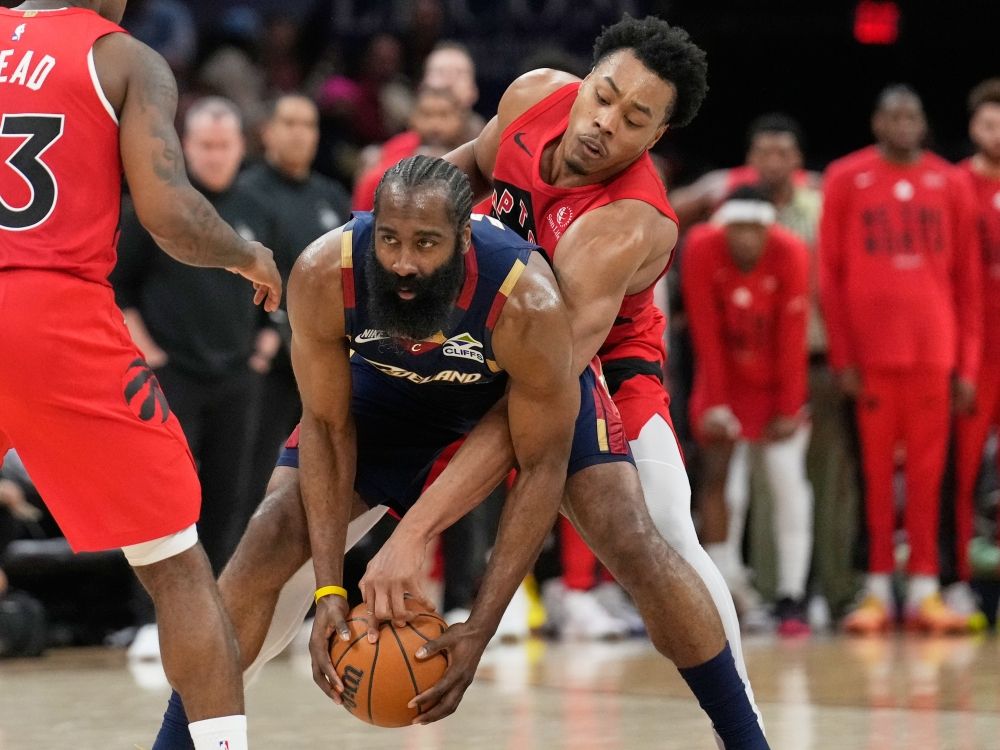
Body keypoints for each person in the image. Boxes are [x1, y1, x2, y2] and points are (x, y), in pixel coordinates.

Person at [152, 156, 764, 750]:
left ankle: (744, 738)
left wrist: (480, 627)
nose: (403, 263)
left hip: (509, 393)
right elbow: (328, 429)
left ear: (464, 238)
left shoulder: (527, 298)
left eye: (426, 244)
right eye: (389, 240)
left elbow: (541, 469)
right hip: (392, 396)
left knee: (634, 535)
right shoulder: (323, 271)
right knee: (269, 531)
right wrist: (329, 593)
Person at [368, 14, 769, 747]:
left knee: (663, 539)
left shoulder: (629, 222)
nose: (604, 123)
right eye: (605, 96)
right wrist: (365, 241)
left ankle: (744, 730)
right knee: (302, 507)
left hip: (604, 363)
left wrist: (416, 528)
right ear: (584, 81)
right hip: (492, 328)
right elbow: (452, 180)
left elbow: (540, 394)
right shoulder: (530, 98)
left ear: (656, 138)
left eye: (635, 119)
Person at [0, 2, 282, 749]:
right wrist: (247, 256)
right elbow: (171, 216)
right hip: (50, 314)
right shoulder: (123, 58)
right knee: (178, 565)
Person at [820, 85, 982, 635]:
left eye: (913, 114)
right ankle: (876, 589)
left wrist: (967, 363)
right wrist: (844, 355)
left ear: (924, 122)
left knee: (928, 476)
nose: (904, 123)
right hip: (872, 357)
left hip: (934, 353)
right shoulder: (846, 178)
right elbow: (832, 275)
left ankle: (925, 589)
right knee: (872, 474)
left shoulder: (951, 181)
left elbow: (969, 284)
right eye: (893, 114)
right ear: (876, 122)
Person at [112, 96, 278, 575]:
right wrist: (151, 356)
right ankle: (150, 617)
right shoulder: (160, 206)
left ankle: (221, 602)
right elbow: (119, 286)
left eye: (223, 145)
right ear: (186, 146)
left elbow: (276, 278)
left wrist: (264, 347)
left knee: (232, 493)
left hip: (238, 375)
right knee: (163, 496)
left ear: (239, 147)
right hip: (171, 375)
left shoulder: (254, 206)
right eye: (205, 145)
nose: (214, 155)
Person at [682, 187, 814, 636]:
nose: (743, 241)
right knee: (725, 486)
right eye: (734, 230)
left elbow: (792, 336)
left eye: (752, 231)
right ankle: (725, 589)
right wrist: (716, 403)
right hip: (725, 380)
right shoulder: (702, 247)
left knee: (787, 483)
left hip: (777, 382)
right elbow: (705, 332)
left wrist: (789, 406)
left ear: (766, 229)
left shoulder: (791, 252)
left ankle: (792, 595)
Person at [238, 93, 352, 504]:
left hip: (322, 350)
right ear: (267, 131)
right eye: (289, 123)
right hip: (266, 354)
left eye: (308, 124)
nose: (299, 133)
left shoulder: (332, 196)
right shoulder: (245, 191)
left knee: (324, 459)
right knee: (251, 466)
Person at [953, 79, 1000, 596]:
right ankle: (961, 579)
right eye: (990, 123)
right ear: (973, 127)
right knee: (963, 473)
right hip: (975, 350)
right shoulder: (955, 184)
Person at [352, 84, 469, 211]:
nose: (435, 125)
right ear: (412, 119)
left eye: (444, 115)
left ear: (460, 120)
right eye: (427, 115)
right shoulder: (383, 169)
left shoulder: (478, 161)